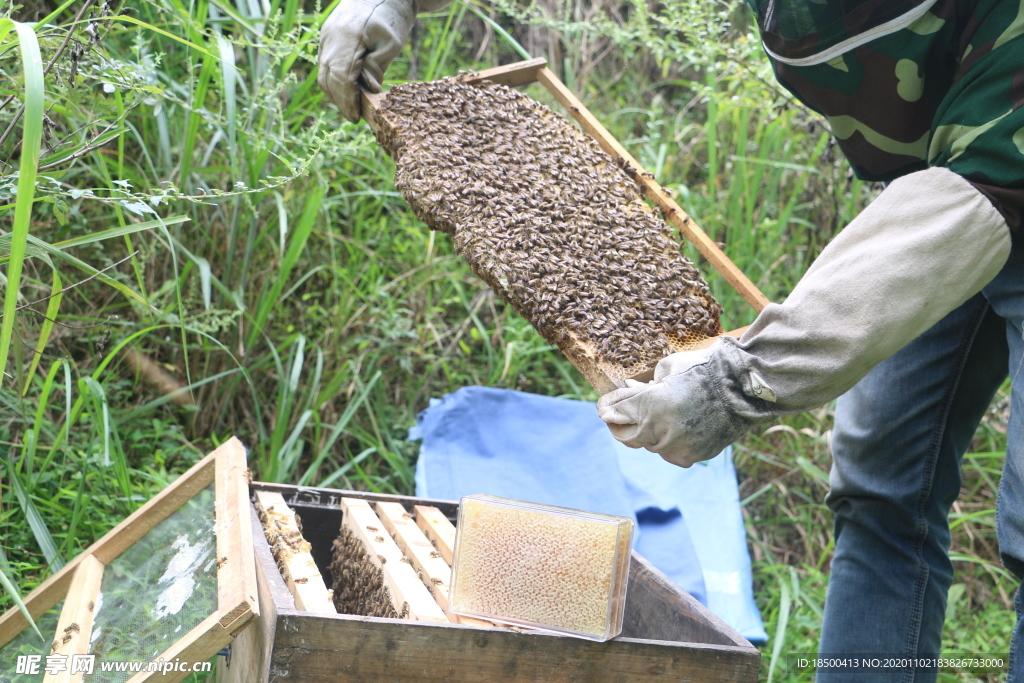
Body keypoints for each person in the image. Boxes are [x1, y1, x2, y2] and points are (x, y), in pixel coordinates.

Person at [317, 0, 1023, 679]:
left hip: (995, 172)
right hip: (933, 173)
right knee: (880, 487)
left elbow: (987, 188)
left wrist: (736, 383)